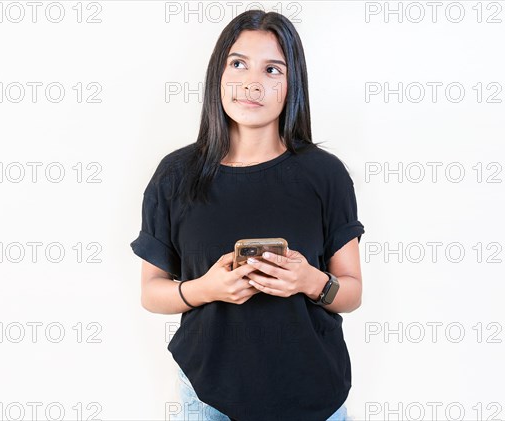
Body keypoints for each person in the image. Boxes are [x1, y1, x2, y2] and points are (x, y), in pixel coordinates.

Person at [130, 10, 364, 421]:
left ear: (292, 84)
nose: (252, 83)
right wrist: (207, 288)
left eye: (272, 69)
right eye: (238, 64)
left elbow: (352, 292)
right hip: (210, 397)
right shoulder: (176, 175)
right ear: (218, 74)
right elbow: (151, 292)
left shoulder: (325, 175)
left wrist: (309, 280)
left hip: (314, 394)